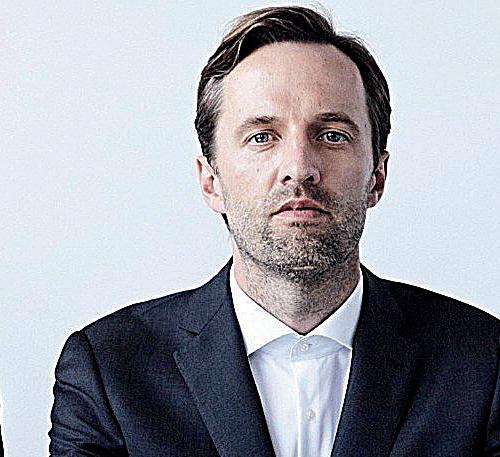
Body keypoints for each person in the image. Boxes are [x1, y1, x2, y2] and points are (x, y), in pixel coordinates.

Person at [49, 6, 500, 457]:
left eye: (332, 135)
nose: (299, 168)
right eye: (262, 136)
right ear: (211, 181)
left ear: (377, 177)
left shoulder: (484, 363)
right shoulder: (109, 370)